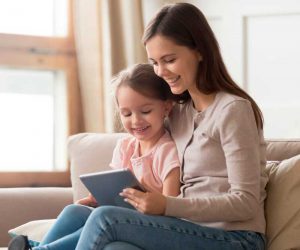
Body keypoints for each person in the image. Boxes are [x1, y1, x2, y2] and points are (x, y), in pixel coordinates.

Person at [73, 2, 268, 250]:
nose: (161, 71)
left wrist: (167, 205)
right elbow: (145, 144)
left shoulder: (233, 110)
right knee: (93, 225)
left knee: (106, 220)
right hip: (184, 228)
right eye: (154, 62)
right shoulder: (177, 112)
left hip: (236, 238)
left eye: (169, 60)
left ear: (200, 51)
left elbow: (246, 202)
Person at [8, 63, 181, 250]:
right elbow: (114, 189)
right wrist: (97, 199)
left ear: (166, 107)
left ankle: (38, 249)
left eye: (145, 111)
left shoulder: (167, 151)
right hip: (116, 215)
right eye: (126, 113)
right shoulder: (125, 146)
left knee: (99, 221)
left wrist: (141, 194)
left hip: (143, 226)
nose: (136, 120)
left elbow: (170, 207)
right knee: (74, 211)